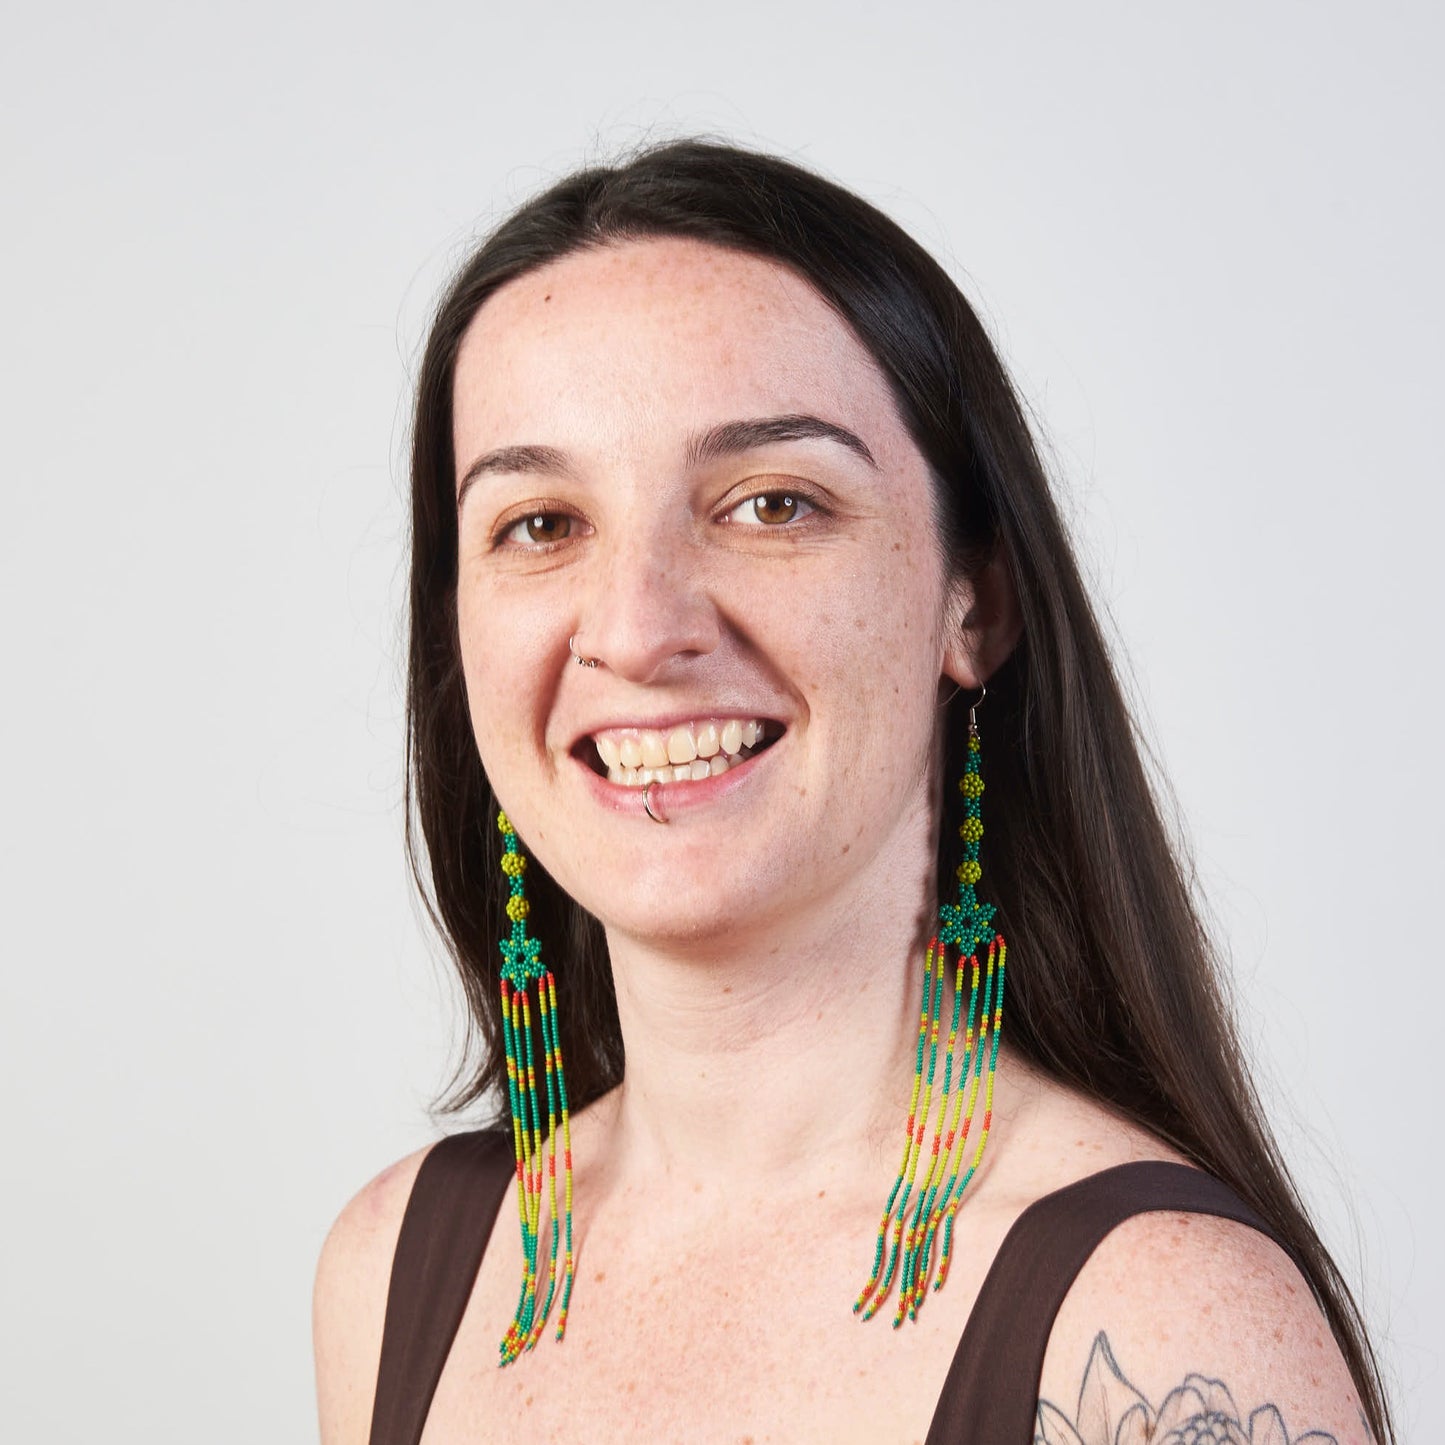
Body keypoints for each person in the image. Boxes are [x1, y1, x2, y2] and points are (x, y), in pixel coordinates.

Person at [312, 138, 1393, 1445]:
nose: (638, 630)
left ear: (974, 603)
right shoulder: (391, 1271)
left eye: (771, 504)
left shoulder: (1159, 1319)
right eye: (539, 524)